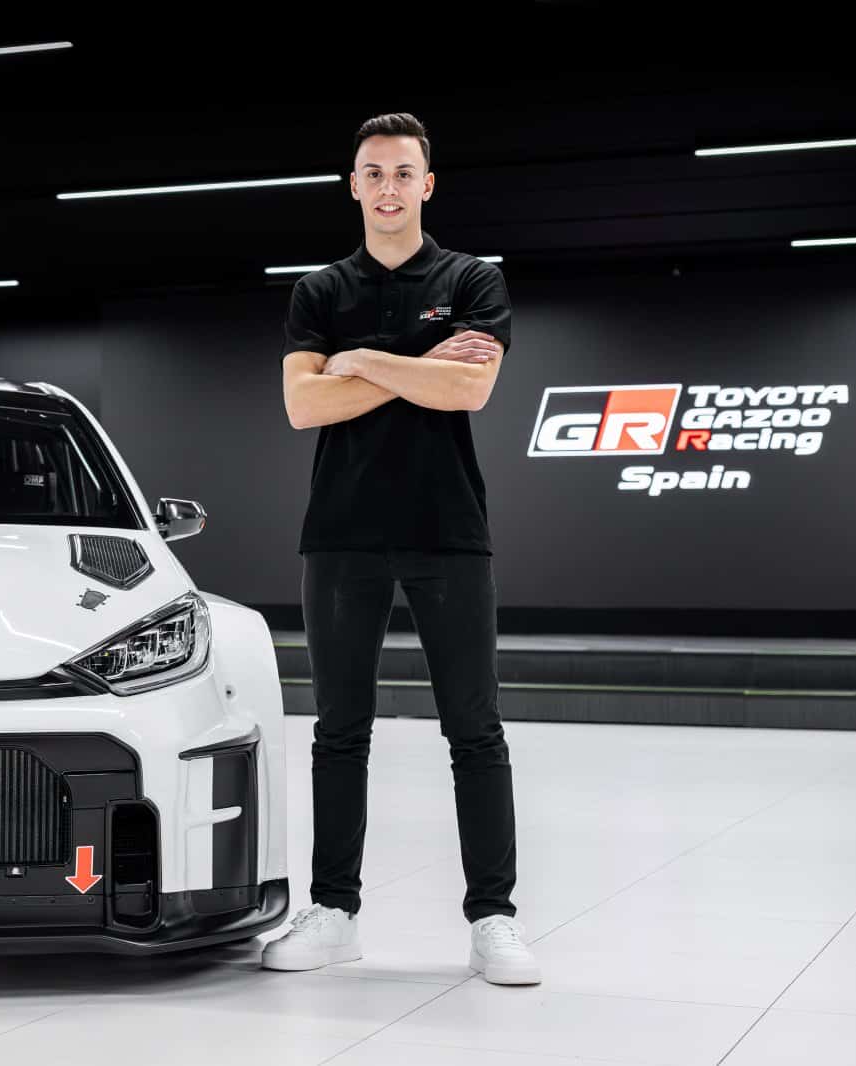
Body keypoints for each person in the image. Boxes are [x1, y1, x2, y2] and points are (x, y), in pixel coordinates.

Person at [260, 112, 540, 985]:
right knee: (339, 732)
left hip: (447, 531)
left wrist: (357, 361)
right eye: (374, 173)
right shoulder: (317, 291)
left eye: (403, 173)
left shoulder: (472, 279)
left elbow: (471, 390)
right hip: (340, 534)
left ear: (428, 184)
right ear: (355, 186)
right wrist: (418, 362)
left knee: (475, 729)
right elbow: (303, 406)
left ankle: (493, 919)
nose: (388, 187)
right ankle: (334, 913)